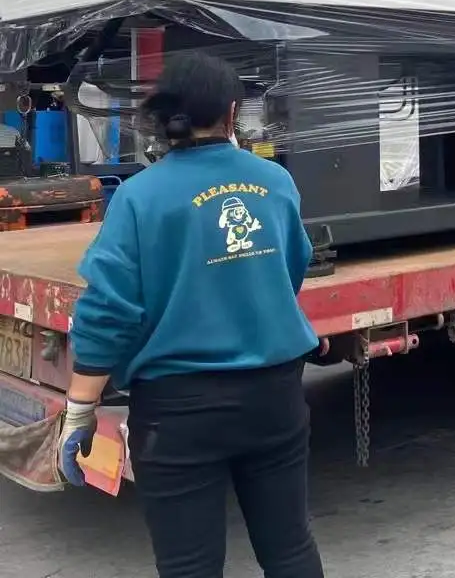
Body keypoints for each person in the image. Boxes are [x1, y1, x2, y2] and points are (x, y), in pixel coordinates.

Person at [59, 51, 325, 578]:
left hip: (178, 412)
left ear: (163, 116)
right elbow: (291, 271)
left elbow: (108, 310)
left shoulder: (139, 197)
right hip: (274, 398)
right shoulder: (275, 182)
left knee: (189, 565)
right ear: (232, 112)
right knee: (290, 549)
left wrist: (80, 410)